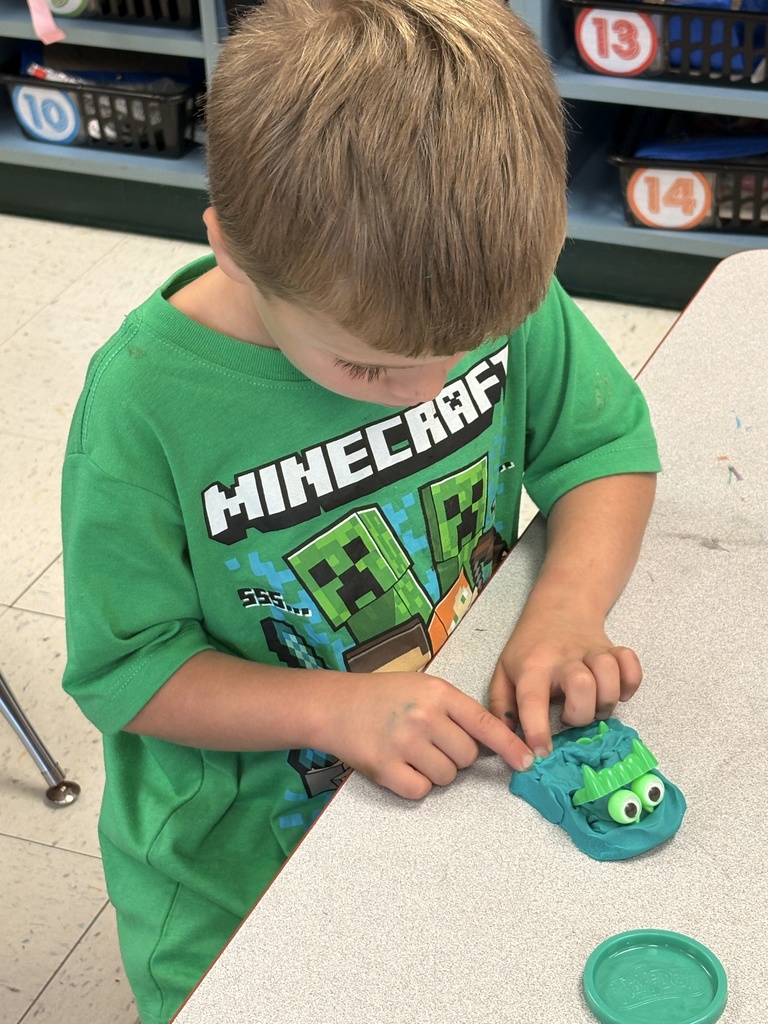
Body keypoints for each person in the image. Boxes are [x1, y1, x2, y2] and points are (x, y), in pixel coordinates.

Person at [61, 0, 660, 1020]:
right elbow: (127, 668)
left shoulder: (485, 292)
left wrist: (565, 609)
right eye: (370, 363)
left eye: (466, 350)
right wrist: (331, 710)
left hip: (441, 818)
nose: (429, 388)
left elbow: (603, 449)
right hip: (234, 883)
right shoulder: (143, 405)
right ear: (232, 251)